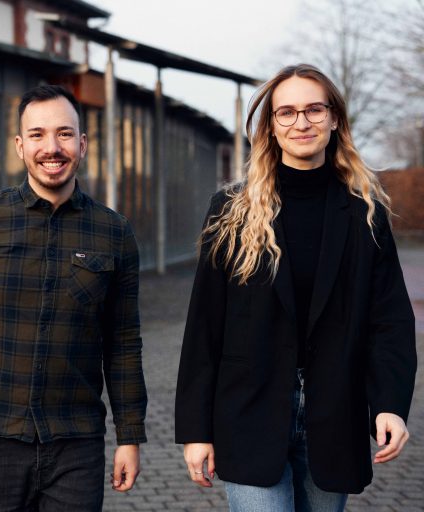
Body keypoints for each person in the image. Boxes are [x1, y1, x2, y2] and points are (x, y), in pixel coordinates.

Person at [175, 63, 417, 512]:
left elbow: (390, 321)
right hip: (248, 413)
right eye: (286, 112)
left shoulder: (365, 213)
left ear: (334, 119)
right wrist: (195, 430)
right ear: (270, 125)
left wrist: (389, 404)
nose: (301, 122)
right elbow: (204, 326)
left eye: (313, 110)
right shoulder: (232, 210)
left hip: (334, 418)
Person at [0, 84, 148, 511]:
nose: (52, 147)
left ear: (83, 144)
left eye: (65, 134)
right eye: (38, 135)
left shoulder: (114, 232)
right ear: (19, 145)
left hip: (77, 442)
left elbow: (123, 344)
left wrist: (130, 436)